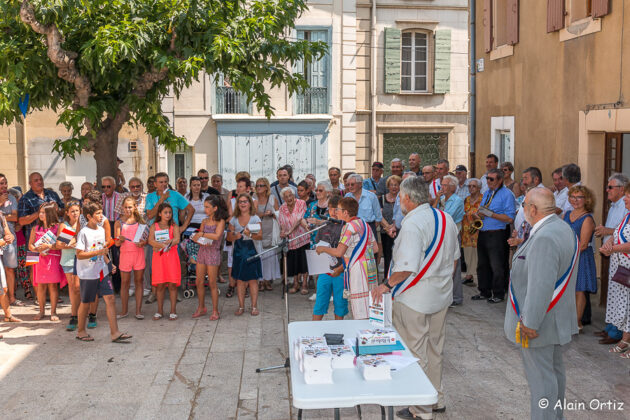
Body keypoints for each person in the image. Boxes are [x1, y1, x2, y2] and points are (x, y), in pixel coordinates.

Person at [370, 176, 459, 419]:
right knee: (435, 349)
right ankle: (436, 398)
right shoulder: (445, 218)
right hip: (441, 295)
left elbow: (407, 267)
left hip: (414, 298)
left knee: (415, 352)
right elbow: (453, 260)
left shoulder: (412, 224)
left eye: (400, 197)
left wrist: (385, 285)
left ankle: (420, 409)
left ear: (408, 198)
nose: (399, 201)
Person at [504, 188, 579, 420]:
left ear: (533, 209)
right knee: (554, 374)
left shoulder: (545, 237)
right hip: (556, 319)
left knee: (541, 381)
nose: (522, 209)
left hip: (540, 322)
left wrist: (529, 323)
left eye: (524, 204)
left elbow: (541, 286)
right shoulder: (562, 228)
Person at [75, 202, 132, 343]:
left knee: (110, 299)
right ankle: (81, 331)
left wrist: (108, 263)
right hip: (88, 273)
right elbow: (79, 254)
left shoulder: (101, 230)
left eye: (102, 212)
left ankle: (115, 332)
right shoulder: (83, 232)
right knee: (86, 302)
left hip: (101, 271)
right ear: (89, 216)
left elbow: (102, 251)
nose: (102, 216)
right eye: (98, 213)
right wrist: (99, 252)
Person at [317, 197, 379, 319]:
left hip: (358, 270)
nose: (336, 212)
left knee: (360, 308)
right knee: (370, 304)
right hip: (370, 268)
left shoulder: (348, 227)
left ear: (346, 212)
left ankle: (362, 333)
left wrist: (323, 249)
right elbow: (375, 249)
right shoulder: (365, 224)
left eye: (338, 210)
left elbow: (339, 252)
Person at [145, 173, 193, 302]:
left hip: (173, 236)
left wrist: (183, 227)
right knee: (154, 266)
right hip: (155, 236)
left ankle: (174, 291)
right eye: (160, 182)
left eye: (166, 181)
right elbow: (149, 215)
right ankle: (154, 292)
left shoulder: (176, 195)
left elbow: (190, 209)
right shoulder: (150, 197)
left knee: (173, 265)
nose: (163, 184)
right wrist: (162, 199)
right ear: (155, 184)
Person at [594, 173, 629, 345]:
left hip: (622, 256)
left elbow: (621, 231)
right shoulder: (615, 205)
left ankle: (617, 332)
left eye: (610, 187)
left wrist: (607, 232)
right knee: (612, 292)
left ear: (622, 190)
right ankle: (610, 327)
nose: (607, 190)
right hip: (613, 255)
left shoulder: (624, 206)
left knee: (620, 293)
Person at [472, 168, 515, 303]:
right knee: (482, 264)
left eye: (491, 179)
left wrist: (491, 214)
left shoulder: (507, 194)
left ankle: (498, 293)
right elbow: (483, 210)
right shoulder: (487, 193)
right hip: (484, 232)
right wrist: (477, 214)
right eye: (487, 179)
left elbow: (509, 218)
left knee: (497, 265)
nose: (488, 181)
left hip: (497, 234)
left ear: (500, 180)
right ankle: (484, 291)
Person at [562, 186, 597, 333]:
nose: (575, 200)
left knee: (579, 290)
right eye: (572, 197)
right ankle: (567, 320)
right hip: (567, 255)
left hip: (581, 256)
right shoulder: (566, 214)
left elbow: (583, 244)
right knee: (567, 289)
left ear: (586, 200)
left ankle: (577, 323)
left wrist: (568, 253)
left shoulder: (587, 218)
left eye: (579, 197)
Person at [312, 195, 348, 321]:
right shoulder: (324, 225)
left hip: (340, 271)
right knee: (320, 302)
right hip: (325, 271)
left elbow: (350, 252)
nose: (333, 212)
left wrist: (341, 267)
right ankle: (314, 330)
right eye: (330, 208)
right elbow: (318, 245)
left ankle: (339, 330)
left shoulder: (346, 227)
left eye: (336, 209)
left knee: (340, 303)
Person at [191, 195, 228, 321]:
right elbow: (201, 238)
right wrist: (198, 238)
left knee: (212, 283)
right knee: (199, 281)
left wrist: (201, 234)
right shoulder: (204, 221)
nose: (205, 209)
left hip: (213, 253)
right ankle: (201, 307)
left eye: (207, 207)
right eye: (205, 206)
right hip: (203, 251)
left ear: (215, 208)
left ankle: (215, 310)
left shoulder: (221, 221)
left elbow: (217, 236)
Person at [28, 202, 66, 321]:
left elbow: (61, 245)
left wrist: (48, 245)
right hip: (39, 260)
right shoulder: (35, 228)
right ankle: (41, 311)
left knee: (53, 286)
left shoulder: (58, 227)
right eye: (40, 212)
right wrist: (36, 249)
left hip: (53, 259)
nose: (40, 214)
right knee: (41, 287)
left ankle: (53, 312)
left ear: (49, 213)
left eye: (43, 212)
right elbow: (30, 245)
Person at [227, 193, 263, 316]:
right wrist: (234, 236)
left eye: (245, 201)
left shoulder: (255, 218)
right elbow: (228, 236)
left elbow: (260, 236)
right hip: (238, 253)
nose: (242, 203)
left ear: (250, 204)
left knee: (253, 280)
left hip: (252, 252)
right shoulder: (234, 219)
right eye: (240, 201)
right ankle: (241, 306)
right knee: (240, 281)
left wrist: (250, 235)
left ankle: (254, 306)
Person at [114, 177, 150, 298]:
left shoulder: (147, 197)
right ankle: (131, 287)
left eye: (138, 186)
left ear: (142, 186)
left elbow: (147, 216)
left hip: (141, 230)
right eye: (133, 186)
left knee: (142, 263)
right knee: (127, 267)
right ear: (129, 187)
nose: (135, 189)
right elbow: (120, 215)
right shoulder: (123, 197)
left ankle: (144, 286)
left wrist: (143, 238)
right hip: (127, 231)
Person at [114, 197, 147, 320]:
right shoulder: (119, 222)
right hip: (125, 255)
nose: (128, 209)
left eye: (130, 207)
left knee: (139, 282)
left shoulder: (141, 221)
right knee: (125, 283)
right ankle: (124, 311)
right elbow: (116, 243)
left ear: (135, 207)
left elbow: (146, 239)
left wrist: (142, 243)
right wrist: (119, 239)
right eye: (126, 207)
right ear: (122, 208)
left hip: (138, 254)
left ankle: (138, 311)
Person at [149, 203, 181, 320]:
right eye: (165, 212)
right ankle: (160, 311)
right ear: (159, 214)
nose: (168, 215)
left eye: (169, 212)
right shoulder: (154, 226)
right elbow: (150, 240)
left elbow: (177, 239)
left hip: (171, 257)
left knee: (172, 284)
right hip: (159, 258)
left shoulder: (174, 226)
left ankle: (173, 310)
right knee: (160, 285)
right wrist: (159, 245)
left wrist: (169, 242)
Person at [438, 175, 465, 308]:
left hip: (453, 235)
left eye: (444, 185)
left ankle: (456, 296)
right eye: (442, 185)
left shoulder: (457, 200)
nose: (441, 187)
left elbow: (446, 216)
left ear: (452, 187)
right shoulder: (442, 199)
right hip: (443, 235)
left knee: (455, 265)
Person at [18, 172, 64, 245]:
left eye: (41, 179)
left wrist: (57, 209)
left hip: (54, 236)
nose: (39, 182)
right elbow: (22, 221)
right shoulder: (25, 199)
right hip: (35, 240)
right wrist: (39, 213)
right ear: (30, 183)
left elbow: (64, 212)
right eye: (36, 180)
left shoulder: (52, 194)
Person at [278, 187, 310, 294]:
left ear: (294, 195)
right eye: (286, 197)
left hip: (302, 238)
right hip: (291, 240)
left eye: (290, 195)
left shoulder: (301, 203)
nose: (288, 198)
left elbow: (299, 219)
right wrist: (283, 232)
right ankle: (296, 284)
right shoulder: (282, 207)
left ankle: (304, 284)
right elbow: (282, 221)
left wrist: (289, 231)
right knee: (294, 262)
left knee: (303, 262)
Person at [56, 201, 81, 331]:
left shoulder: (82, 225)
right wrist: (70, 244)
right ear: (67, 213)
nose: (75, 213)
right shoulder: (64, 226)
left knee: (81, 287)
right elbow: (59, 244)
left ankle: (84, 312)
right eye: (72, 211)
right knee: (73, 288)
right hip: (69, 259)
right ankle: (74, 314)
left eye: (77, 210)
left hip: (83, 259)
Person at [253, 178, 280, 291]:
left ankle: (268, 280)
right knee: (259, 255)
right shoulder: (253, 198)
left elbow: (279, 214)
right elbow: (252, 213)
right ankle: (259, 280)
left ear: (266, 187)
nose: (259, 187)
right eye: (257, 185)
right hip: (257, 230)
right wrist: (264, 214)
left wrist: (273, 213)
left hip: (270, 230)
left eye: (261, 185)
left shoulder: (272, 199)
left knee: (269, 256)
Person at [0, 174, 21, 306]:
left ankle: (12, 297)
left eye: (5, 183)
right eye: (1, 183)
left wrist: (3, 215)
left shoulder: (12, 197)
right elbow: (10, 216)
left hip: (9, 238)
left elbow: (15, 217)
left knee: (9, 268)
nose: (4, 186)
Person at [0, 211, 21, 327]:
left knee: (3, 287)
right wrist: (2, 241)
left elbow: (8, 233)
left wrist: (9, 237)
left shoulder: (1, 215)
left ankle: (8, 315)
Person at [345, 174, 382, 239]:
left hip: (369, 227)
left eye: (352, 184)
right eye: (348, 185)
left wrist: (370, 228)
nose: (350, 187)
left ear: (360, 184)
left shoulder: (371, 196)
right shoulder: (347, 197)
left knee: (369, 248)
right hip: (352, 227)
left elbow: (378, 217)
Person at [101, 176, 122, 292]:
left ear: (114, 186)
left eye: (109, 186)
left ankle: (117, 286)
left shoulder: (120, 197)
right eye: (103, 187)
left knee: (117, 257)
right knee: (105, 256)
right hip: (103, 228)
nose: (106, 189)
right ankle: (106, 285)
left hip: (116, 227)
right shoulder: (100, 198)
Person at [462, 178, 482, 286]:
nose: (471, 188)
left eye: (473, 186)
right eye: (469, 186)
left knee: (477, 254)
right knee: (467, 253)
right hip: (467, 231)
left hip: (478, 230)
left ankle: (475, 275)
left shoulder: (483, 199)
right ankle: (469, 275)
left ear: (479, 188)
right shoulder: (467, 199)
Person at [379, 175, 400, 277]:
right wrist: (388, 227)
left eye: (396, 185)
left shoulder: (402, 198)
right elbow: (379, 215)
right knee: (387, 255)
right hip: (386, 231)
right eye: (391, 185)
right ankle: (387, 277)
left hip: (399, 230)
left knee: (398, 254)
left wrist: (394, 226)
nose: (393, 187)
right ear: (388, 186)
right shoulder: (382, 198)